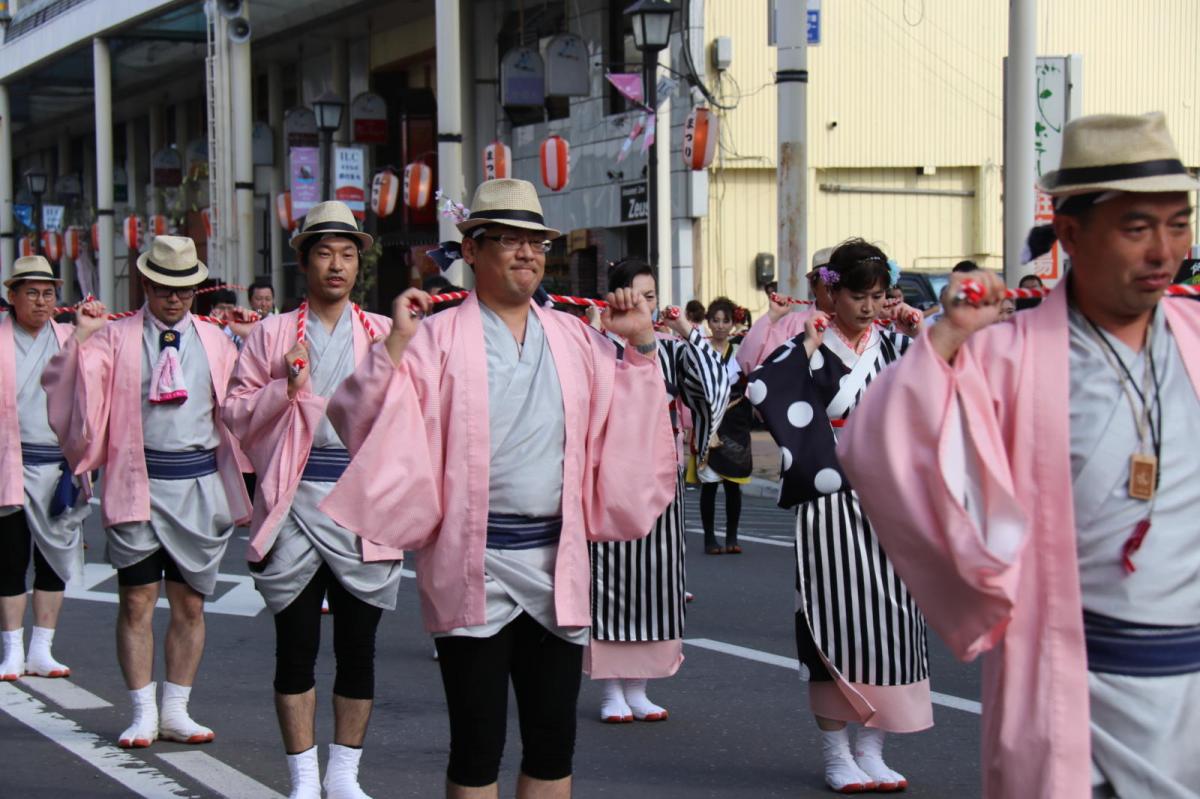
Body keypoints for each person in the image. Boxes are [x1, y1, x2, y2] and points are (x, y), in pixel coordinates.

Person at [836, 111, 1200, 799]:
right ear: (1068, 233)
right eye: (1136, 227)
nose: (1164, 250)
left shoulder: (1194, 334)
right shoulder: (1007, 353)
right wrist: (943, 343)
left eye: (1177, 223)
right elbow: (876, 442)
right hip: (1076, 682)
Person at [315, 179, 677, 799]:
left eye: (534, 242)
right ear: (472, 250)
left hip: (553, 561)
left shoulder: (580, 340)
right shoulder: (433, 338)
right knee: (477, 745)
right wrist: (395, 343)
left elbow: (632, 430)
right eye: (507, 240)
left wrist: (640, 345)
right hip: (473, 560)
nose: (525, 254)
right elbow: (357, 419)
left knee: (552, 743)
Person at [42, 235, 251, 749]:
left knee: (191, 605)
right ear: (146, 284)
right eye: (163, 287)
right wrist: (82, 341)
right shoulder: (115, 338)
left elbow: (249, 401)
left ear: (197, 288)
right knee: (136, 601)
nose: (174, 297)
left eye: (183, 288)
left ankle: (177, 706)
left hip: (198, 484)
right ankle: (141, 709)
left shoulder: (218, 340)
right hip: (137, 480)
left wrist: (256, 339)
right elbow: (71, 394)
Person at [223, 202, 403, 799]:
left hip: (361, 506)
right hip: (294, 503)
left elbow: (412, 417)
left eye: (348, 254)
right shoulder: (273, 333)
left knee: (359, 650)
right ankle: (302, 776)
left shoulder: (382, 332)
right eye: (325, 252)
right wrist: (284, 386)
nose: (337, 265)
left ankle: (344, 774)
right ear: (304, 262)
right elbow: (234, 414)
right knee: (295, 648)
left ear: (360, 265)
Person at [746, 239, 931, 793]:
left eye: (879, 296)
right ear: (832, 290)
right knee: (833, 619)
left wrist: (923, 334)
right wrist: (803, 347)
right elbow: (761, 386)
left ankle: (874, 746)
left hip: (892, 498)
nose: (870, 307)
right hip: (830, 499)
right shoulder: (811, 343)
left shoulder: (895, 347)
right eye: (858, 296)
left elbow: (944, 389)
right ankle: (836, 751)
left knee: (897, 621)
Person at [589, 259, 729, 723]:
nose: (647, 305)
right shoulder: (596, 343)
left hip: (659, 470)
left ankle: (640, 685)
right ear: (616, 298)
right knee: (609, 579)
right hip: (610, 470)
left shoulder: (670, 348)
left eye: (652, 297)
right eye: (637, 296)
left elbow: (715, 386)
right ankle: (611, 688)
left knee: (657, 579)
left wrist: (686, 329)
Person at [0, 257, 91, 681]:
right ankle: (12, 648)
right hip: (9, 464)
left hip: (57, 466)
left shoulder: (72, 336)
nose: (40, 302)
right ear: (11, 297)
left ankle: (42, 648)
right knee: (10, 559)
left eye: (48, 293)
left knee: (54, 560)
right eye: (31, 293)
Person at [697, 296, 751, 554]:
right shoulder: (699, 350)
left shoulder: (741, 352)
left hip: (735, 422)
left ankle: (732, 536)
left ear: (733, 324)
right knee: (709, 483)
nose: (720, 326)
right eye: (715, 321)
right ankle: (709, 538)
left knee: (733, 483)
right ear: (707, 323)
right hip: (709, 421)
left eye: (725, 321)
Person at [736, 246, 835, 373]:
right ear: (813, 285)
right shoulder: (791, 324)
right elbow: (748, 361)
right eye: (830, 279)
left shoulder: (864, 325)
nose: (838, 287)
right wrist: (772, 315)